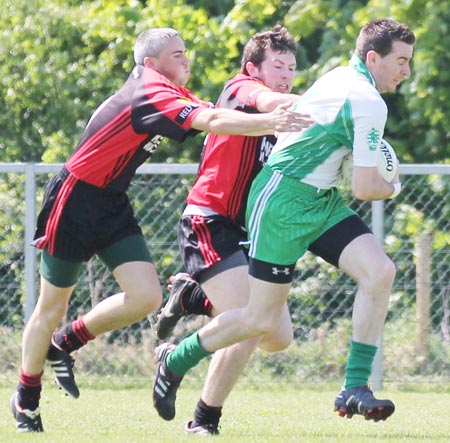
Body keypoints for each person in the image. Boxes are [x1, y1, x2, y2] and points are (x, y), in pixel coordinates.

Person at [10, 27, 311, 433]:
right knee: (50, 307)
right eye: (177, 54)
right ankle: (26, 399)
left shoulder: (172, 91)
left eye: (186, 51)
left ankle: (67, 341)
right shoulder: (151, 89)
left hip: (112, 202)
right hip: (75, 199)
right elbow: (214, 119)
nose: (186, 59)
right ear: (151, 63)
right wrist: (273, 119)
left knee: (147, 297)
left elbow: (213, 114)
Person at [152, 18, 415, 425]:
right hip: (281, 201)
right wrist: (392, 185)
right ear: (373, 58)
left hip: (319, 199)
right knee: (260, 321)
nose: (406, 71)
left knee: (380, 271)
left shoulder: (342, 77)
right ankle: (177, 358)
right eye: (401, 61)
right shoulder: (366, 100)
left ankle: (354, 387)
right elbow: (366, 189)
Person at [153, 25, 304, 435]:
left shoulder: (281, 119)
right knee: (252, 321)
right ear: (253, 67)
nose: (286, 74)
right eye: (278, 66)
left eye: (292, 67)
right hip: (208, 219)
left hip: (244, 230)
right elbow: (267, 98)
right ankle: (203, 415)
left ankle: (195, 296)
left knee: (277, 336)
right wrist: (323, 105)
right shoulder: (243, 88)